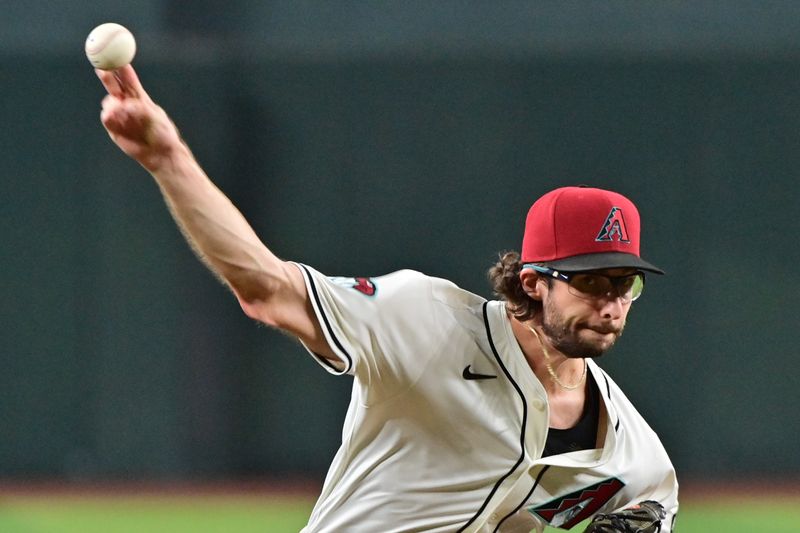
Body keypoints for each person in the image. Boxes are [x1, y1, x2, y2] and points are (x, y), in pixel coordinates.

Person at [95, 65, 678, 533]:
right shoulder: (425, 322)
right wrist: (166, 158)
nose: (610, 301)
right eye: (591, 281)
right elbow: (266, 289)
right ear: (533, 282)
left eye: (623, 284)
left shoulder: (628, 444)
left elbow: (651, 503)